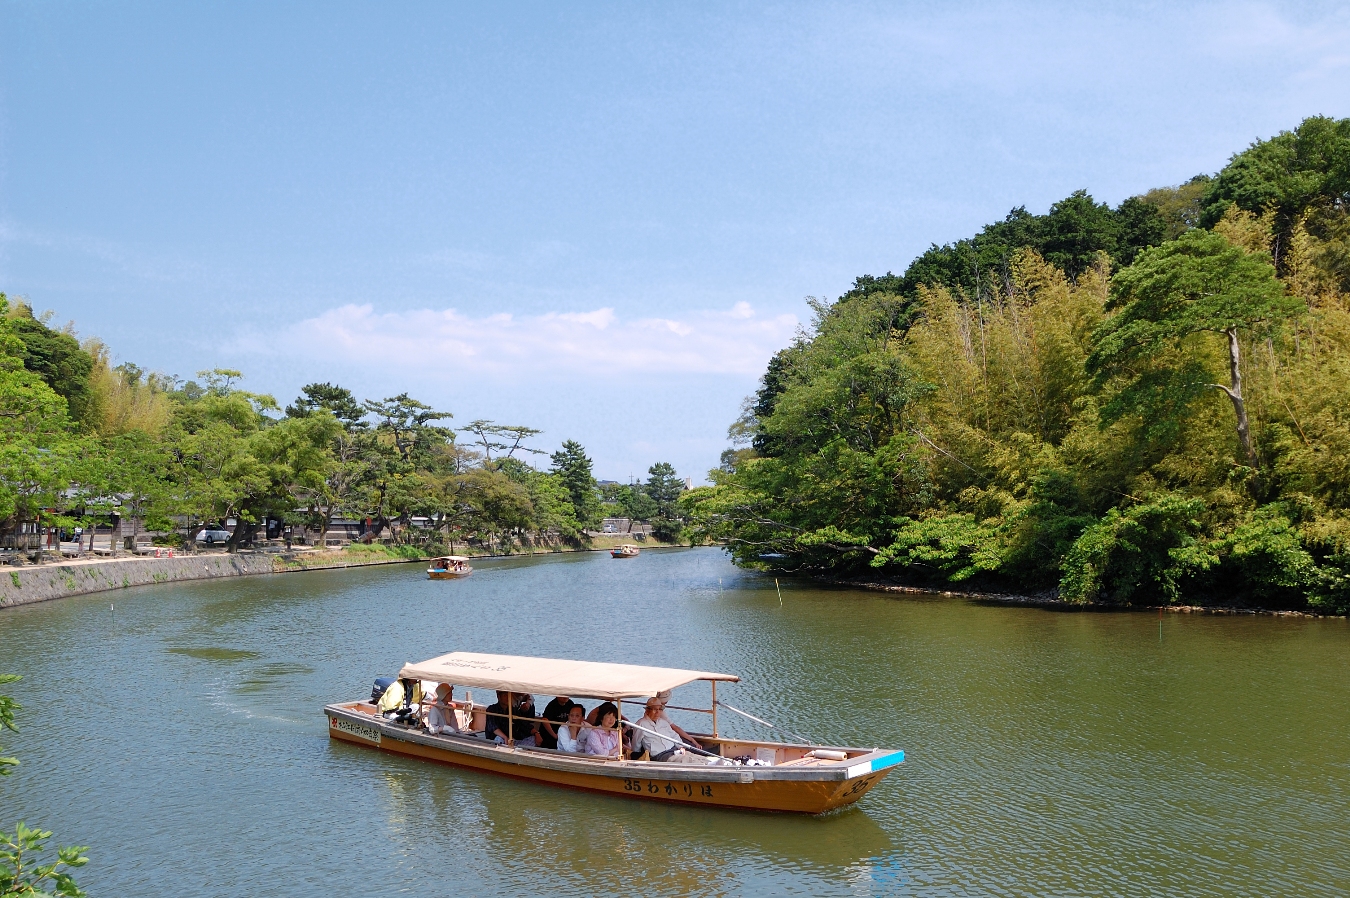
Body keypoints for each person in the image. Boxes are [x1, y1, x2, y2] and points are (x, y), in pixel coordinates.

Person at [630, 697, 702, 761]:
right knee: (687, 760)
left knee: (695, 756)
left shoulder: (663, 722)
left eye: (659, 709)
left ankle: (710, 763)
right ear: (647, 711)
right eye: (655, 710)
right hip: (661, 755)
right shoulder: (640, 724)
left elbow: (674, 736)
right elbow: (636, 745)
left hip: (674, 750)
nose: (657, 712)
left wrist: (681, 747)